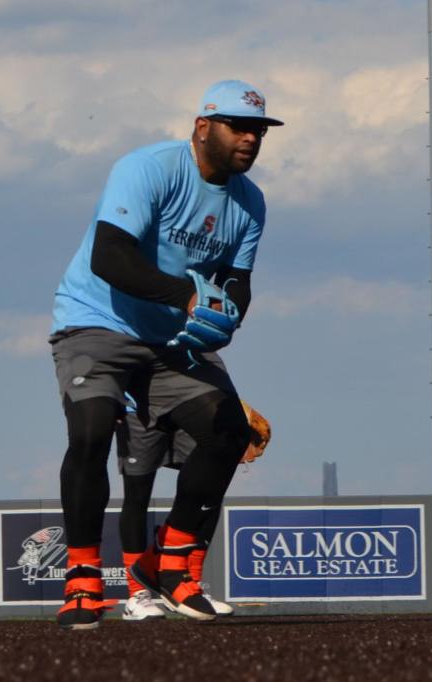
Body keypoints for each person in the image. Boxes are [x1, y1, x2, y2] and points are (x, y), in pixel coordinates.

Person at [49, 79, 283, 630]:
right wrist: (188, 297)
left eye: (258, 130)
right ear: (203, 127)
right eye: (238, 126)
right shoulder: (150, 167)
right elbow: (110, 256)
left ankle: (174, 562)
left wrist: (228, 318)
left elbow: (236, 281)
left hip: (171, 341)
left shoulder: (250, 202)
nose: (250, 139)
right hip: (96, 320)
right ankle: (83, 580)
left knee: (230, 430)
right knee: (91, 431)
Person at [118, 396, 271, 621]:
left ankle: (190, 583)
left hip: (185, 407)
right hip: (137, 410)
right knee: (137, 494)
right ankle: (137, 596)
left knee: (210, 484)